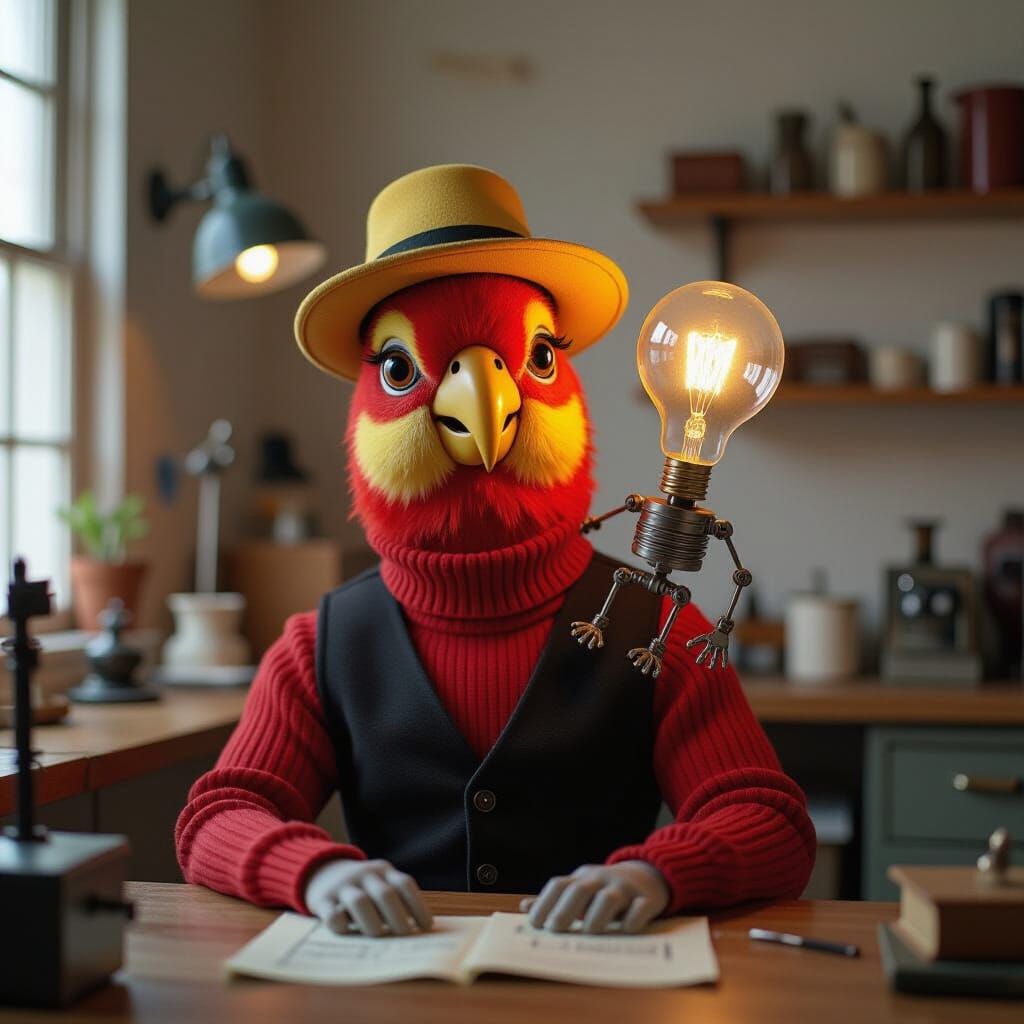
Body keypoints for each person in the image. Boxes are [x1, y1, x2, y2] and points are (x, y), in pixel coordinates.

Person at [175, 165, 815, 937]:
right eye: (403, 367)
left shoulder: (659, 630)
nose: (484, 391)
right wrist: (317, 871)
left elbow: (769, 820)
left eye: (535, 357)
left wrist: (660, 874)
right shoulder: (319, 648)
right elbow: (218, 817)